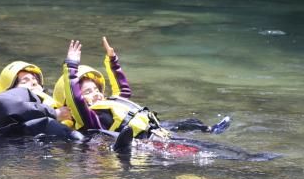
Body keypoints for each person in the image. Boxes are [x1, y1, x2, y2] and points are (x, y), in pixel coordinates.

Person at [54, 37, 230, 150]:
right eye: (88, 92)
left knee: (204, 141)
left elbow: (123, 90)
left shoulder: (107, 104)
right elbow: (75, 99)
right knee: (210, 151)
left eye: (96, 90)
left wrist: (112, 60)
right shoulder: (90, 119)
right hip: (153, 146)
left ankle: (216, 134)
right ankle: (253, 159)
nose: (96, 94)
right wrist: (71, 66)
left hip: (161, 136)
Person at [0, 60, 82, 140]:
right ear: (9, 89)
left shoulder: (56, 107)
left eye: (35, 80)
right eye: (25, 81)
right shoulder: (2, 107)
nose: (33, 82)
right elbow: (4, 103)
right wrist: (53, 113)